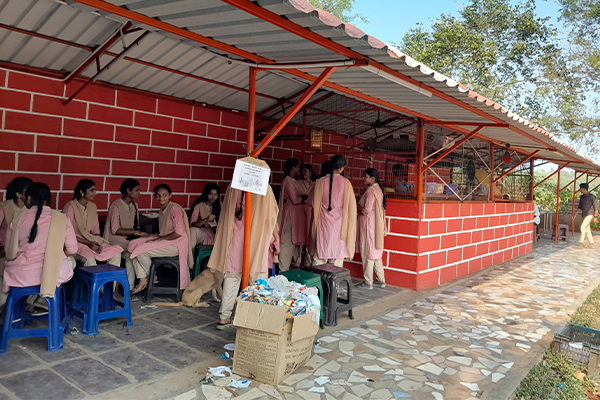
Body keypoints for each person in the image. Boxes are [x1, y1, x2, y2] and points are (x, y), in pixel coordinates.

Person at [208, 158, 279, 330]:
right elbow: (270, 219)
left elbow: (226, 214)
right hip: (257, 239)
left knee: (232, 277)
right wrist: (276, 239)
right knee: (258, 278)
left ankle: (225, 316)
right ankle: (254, 317)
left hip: (235, 239)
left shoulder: (233, 187)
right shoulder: (266, 189)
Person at [3, 183, 78, 313]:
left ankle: (8, 306)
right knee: (71, 261)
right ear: (48, 200)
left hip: (22, 275)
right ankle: (42, 299)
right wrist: (56, 254)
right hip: (54, 274)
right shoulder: (62, 219)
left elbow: (10, 253)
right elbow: (72, 250)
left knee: (4, 265)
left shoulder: (17, 218)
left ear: (28, 199)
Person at [128, 184, 193, 294]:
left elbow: (178, 233)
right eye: (158, 195)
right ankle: (143, 279)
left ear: (170, 196)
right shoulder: (162, 210)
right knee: (134, 244)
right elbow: (164, 232)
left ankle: (151, 276)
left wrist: (158, 239)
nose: (161, 198)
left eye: (164, 195)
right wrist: (150, 236)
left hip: (177, 244)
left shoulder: (175, 209)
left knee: (141, 252)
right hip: (167, 240)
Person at [310, 155, 357, 267]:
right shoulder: (346, 183)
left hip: (323, 223)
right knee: (337, 257)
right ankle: (334, 278)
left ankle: (317, 278)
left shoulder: (320, 182)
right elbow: (352, 207)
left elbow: (312, 203)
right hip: (340, 225)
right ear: (342, 168)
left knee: (320, 255)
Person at [63, 179, 123, 267]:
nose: (95, 193)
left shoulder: (92, 207)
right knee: (90, 259)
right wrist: (88, 243)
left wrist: (97, 243)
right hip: (77, 243)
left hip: (91, 241)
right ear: (82, 192)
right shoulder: (70, 207)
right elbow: (65, 234)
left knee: (116, 253)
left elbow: (95, 231)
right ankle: (95, 276)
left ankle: (111, 276)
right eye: (92, 190)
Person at [103, 179, 149, 290]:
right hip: (113, 239)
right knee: (135, 249)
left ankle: (129, 288)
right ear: (128, 191)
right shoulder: (116, 206)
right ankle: (147, 276)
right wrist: (134, 232)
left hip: (127, 240)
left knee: (130, 255)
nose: (139, 193)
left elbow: (136, 226)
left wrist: (137, 233)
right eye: (136, 190)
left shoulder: (134, 206)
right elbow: (115, 230)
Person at [0, 177, 33, 308]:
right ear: (18, 195)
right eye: (27, 192)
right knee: (5, 269)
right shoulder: (4, 207)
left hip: (25, 250)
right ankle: (4, 304)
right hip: (5, 250)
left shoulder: (31, 209)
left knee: (36, 268)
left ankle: (29, 302)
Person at [356, 169, 387, 289]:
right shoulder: (378, 189)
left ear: (372, 178)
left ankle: (368, 282)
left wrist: (358, 212)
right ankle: (381, 280)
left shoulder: (370, 191)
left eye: (365, 176)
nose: (363, 178)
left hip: (368, 224)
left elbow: (366, 210)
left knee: (367, 252)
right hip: (377, 224)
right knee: (376, 252)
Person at [277, 158, 306, 272]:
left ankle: (291, 266)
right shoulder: (288, 182)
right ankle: (283, 268)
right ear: (293, 167)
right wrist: (303, 198)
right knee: (287, 240)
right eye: (298, 167)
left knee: (293, 240)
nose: (299, 170)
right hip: (290, 215)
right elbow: (294, 200)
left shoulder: (293, 181)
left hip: (295, 215)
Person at [189, 183, 221, 247]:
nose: (213, 196)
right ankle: (190, 253)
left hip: (216, 234)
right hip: (203, 233)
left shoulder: (220, 205)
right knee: (192, 230)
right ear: (206, 194)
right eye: (210, 194)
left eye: (215, 194)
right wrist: (205, 220)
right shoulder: (199, 206)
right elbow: (192, 224)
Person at [578, 183, 598, 248]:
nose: (580, 190)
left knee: (582, 227)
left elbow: (596, 207)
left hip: (590, 214)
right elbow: (580, 207)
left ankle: (581, 242)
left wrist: (595, 217)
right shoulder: (582, 197)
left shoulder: (592, 197)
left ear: (584, 189)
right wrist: (575, 214)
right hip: (584, 214)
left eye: (581, 189)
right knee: (587, 229)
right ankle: (591, 243)